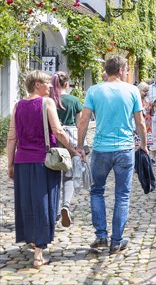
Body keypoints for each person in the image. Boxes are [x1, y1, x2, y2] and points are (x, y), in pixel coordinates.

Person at [6, 70, 80, 268]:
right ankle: (39, 252)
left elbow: (12, 137)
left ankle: (31, 239)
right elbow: (58, 130)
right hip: (43, 162)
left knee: (26, 202)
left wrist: (10, 163)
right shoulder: (46, 103)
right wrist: (73, 150)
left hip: (22, 161)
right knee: (44, 203)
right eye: (47, 83)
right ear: (37, 84)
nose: (50, 87)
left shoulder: (17, 105)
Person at [76, 56, 148, 254]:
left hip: (101, 149)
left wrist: (80, 146)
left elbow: (83, 121)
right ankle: (116, 241)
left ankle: (101, 236)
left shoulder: (94, 90)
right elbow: (140, 122)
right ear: (122, 70)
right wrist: (142, 144)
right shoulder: (132, 91)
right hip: (125, 149)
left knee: (97, 190)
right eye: (126, 70)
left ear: (107, 71)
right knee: (122, 195)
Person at [49, 71, 83, 228]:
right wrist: (81, 146)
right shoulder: (74, 100)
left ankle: (54, 210)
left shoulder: (48, 101)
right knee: (68, 175)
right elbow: (80, 124)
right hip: (70, 139)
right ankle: (66, 206)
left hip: (53, 138)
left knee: (53, 173)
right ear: (66, 84)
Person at [137, 82, 154, 154]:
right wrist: (146, 108)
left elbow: (152, 113)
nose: (146, 93)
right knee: (138, 144)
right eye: (144, 91)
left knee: (148, 145)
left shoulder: (147, 99)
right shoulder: (137, 100)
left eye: (147, 91)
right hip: (140, 123)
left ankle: (144, 160)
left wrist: (152, 106)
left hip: (148, 123)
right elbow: (138, 112)